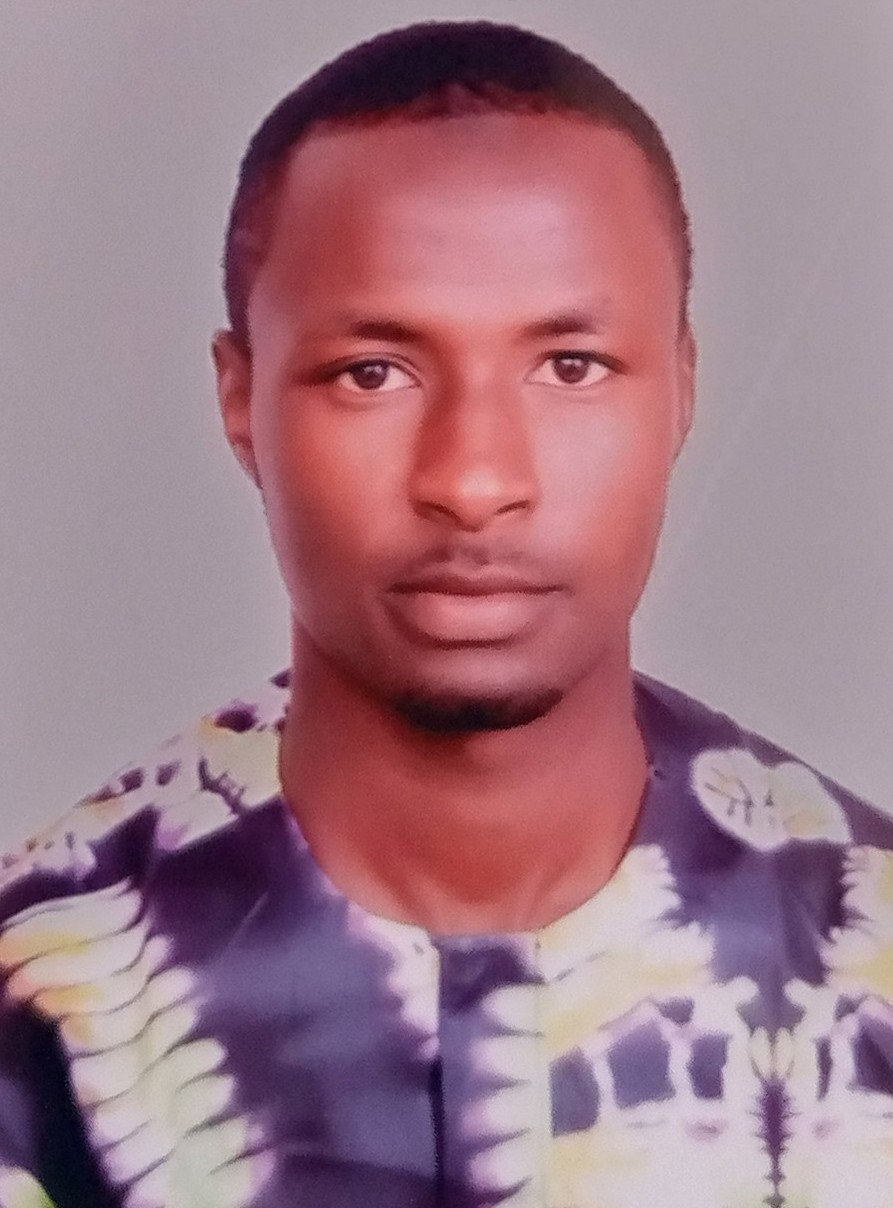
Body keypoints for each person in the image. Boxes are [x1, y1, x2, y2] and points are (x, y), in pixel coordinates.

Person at [0, 19, 890, 1208]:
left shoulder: (869, 957)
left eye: (569, 366)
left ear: (680, 385)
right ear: (241, 398)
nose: (473, 478)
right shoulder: (42, 1008)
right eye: (372, 372)